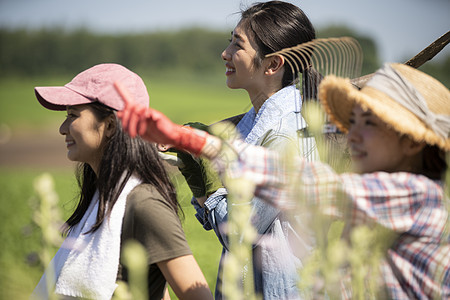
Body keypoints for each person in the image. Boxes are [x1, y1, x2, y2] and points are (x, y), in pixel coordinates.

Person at [118, 62, 450, 299]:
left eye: (370, 124)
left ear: (411, 142)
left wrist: (196, 142)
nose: (353, 135)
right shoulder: (374, 205)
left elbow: (303, 182)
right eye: (353, 122)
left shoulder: (416, 195)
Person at [168, 1, 320, 299]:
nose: (225, 54)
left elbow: (239, 232)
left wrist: (206, 186)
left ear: (273, 64)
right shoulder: (249, 127)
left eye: (238, 45)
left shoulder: (284, 135)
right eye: (230, 42)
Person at [30, 63, 213, 300]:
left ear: (110, 126)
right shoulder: (103, 196)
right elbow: (157, 289)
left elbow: (198, 296)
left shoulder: (144, 202)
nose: (62, 128)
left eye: (73, 115)